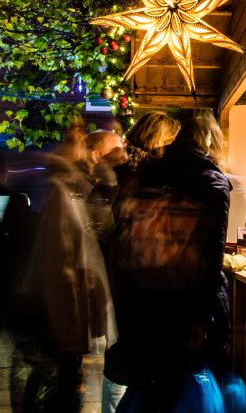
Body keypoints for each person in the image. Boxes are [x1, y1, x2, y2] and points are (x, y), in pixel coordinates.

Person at [107, 109, 232, 412]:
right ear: (210, 139)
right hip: (185, 305)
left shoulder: (150, 174)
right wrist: (202, 315)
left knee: (153, 388)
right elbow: (211, 253)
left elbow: (125, 243)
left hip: (145, 302)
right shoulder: (212, 180)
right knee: (183, 388)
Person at [18, 129, 123, 411]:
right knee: (59, 386)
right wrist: (69, 325)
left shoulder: (88, 188)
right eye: (115, 151)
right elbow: (62, 259)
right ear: (95, 154)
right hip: (61, 313)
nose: (122, 157)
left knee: (61, 382)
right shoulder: (74, 189)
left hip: (69, 312)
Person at [100, 111, 181, 413]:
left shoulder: (120, 174)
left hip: (122, 289)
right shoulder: (144, 180)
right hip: (136, 290)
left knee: (121, 369)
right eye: (171, 142)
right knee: (128, 374)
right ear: (160, 143)